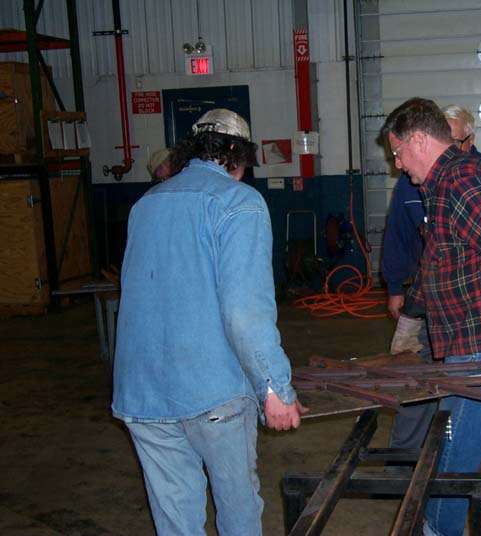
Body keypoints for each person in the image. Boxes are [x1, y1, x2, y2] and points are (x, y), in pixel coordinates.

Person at [112, 108, 306, 536]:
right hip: (211, 391)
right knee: (237, 509)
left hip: (141, 392)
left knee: (176, 520)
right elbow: (244, 310)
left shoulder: (146, 204)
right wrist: (274, 388)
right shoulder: (239, 203)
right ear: (239, 154)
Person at [382, 98, 481, 536]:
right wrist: (412, 317)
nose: (397, 163)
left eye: (398, 151)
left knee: (450, 453)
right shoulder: (443, 184)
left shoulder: (462, 180)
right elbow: (440, 261)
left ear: (420, 140)